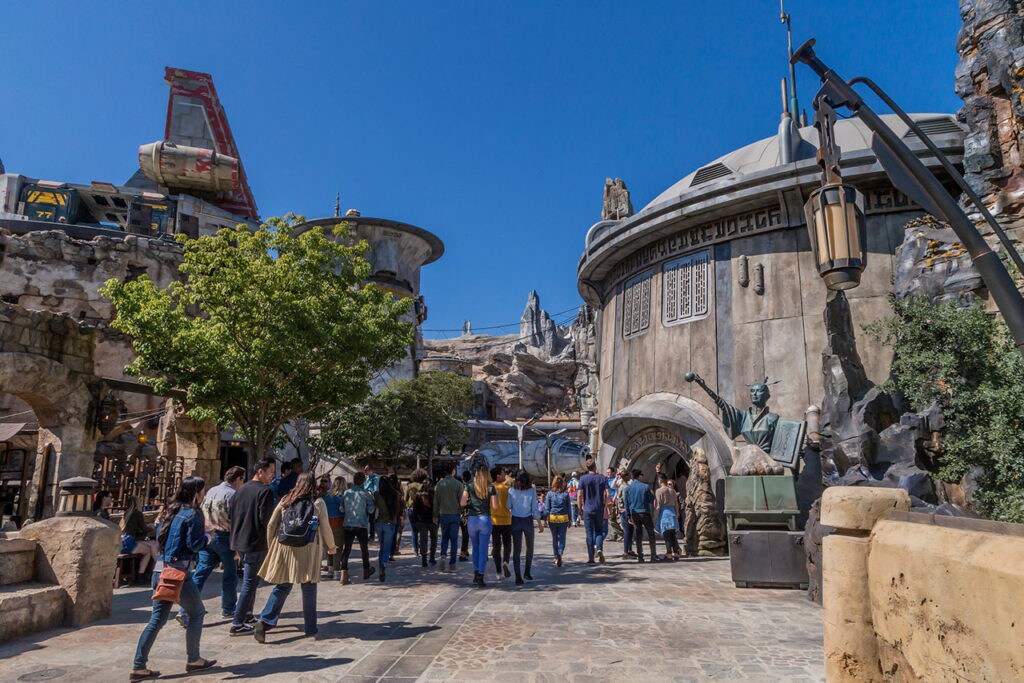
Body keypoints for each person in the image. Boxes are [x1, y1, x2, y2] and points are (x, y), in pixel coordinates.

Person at [130, 477, 216, 681]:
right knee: (197, 613)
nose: (204, 494)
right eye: (203, 491)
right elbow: (194, 544)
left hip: (161, 570)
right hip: (179, 573)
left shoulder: (170, 511)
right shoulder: (193, 514)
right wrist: (209, 537)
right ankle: (194, 659)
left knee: (157, 620)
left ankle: (138, 666)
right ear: (197, 493)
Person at [253, 472, 336, 642]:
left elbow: (271, 525)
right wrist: (332, 546)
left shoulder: (285, 500)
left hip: (285, 549)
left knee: (282, 586)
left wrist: (272, 546)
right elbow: (326, 527)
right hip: (309, 548)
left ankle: (265, 620)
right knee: (309, 587)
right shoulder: (318, 502)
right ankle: (310, 627)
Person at [177, 466, 245, 626]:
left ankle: (185, 609)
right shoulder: (233, 494)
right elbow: (236, 520)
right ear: (237, 479)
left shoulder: (212, 490)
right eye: (242, 479)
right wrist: (237, 545)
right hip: (224, 536)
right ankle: (228, 608)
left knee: (201, 571)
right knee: (230, 573)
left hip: (208, 535)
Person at [228, 457, 276, 636]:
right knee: (249, 582)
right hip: (255, 541)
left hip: (239, 540)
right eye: (270, 471)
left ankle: (247, 614)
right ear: (260, 471)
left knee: (252, 581)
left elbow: (231, 513)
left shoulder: (241, 489)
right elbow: (266, 520)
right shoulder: (265, 492)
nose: (272, 475)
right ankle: (237, 622)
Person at [461, 464, 496, 587]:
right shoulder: (491, 488)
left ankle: (475, 573)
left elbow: (462, 502)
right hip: (485, 519)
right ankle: (481, 575)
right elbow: (495, 506)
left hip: (472, 519)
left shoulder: (469, 486)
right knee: (483, 549)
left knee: (475, 548)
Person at [506, 469, 542, 585]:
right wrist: (540, 523)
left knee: (517, 549)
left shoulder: (511, 490)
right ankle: (527, 572)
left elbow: (508, 505)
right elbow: (535, 510)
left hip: (515, 520)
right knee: (529, 547)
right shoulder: (531, 491)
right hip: (527, 520)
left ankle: (518, 576)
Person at [339, 471, 376, 583]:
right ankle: (366, 570)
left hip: (348, 524)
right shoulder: (366, 494)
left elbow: (341, 509)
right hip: (361, 525)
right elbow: (371, 510)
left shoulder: (346, 493)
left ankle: (343, 574)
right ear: (363, 481)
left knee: (347, 549)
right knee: (364, 549)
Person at [577, 459, 610, 564]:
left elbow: (579, 494)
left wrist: (579, 508)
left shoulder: (583, 479)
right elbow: (608, 494)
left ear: (587, 468)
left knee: (589, 533)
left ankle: (591, 557)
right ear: (595, 466)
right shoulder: (602, 478)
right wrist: (605, 506)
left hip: (587, 509)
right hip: (599, 508)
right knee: (599, 530)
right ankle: (599, 548)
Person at [433, 464, 464, 572]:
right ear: (453, 471)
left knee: (444, 538)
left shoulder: (439, 484)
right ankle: (452, 564)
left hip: (443, 514)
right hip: (455, 514)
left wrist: (435, 515)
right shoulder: (459, 484)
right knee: (454, 540)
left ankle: (442, 557)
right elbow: (462, 501)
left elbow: (436, 501)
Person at [624, 469, 658, 563]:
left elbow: (626, 504)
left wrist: (628, 516)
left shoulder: (628, 488)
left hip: (634, 514)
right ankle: (653, 555)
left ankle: (640, 556)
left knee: (638, 535)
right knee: (651, 534)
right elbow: (651, 500)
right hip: (645, 512)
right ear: (639, 476)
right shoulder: (645, 487)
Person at [121, 495, 158, 577]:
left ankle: (146, 573)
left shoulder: (126, 513)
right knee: (149, 550)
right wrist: (152, 527)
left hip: (123, 541)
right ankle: (145, 573)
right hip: (129, 542)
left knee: (151, 545)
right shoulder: (137, 513)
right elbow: (144, 529)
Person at [373, 475, 402, 582]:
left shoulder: (377, 494)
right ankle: (383, 564)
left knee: (382, 545)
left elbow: (374, 508)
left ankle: (381, 563)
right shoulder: (396, 494)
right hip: (390, 522)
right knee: (387, 546)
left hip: (379, 522)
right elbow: (398, 510)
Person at [489, 466, 512, 580]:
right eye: (503, 474)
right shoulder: (507, 489)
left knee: (496, 547)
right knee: (507, 544)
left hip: (494, 521)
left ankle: (498, 572)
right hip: (507, 520)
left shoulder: (490, 488)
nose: (505, 476)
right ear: (498, 476)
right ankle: (506, 562)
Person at [322, 476, 346, 580]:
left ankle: (330, 569)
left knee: (329, 547)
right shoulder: (343, 496)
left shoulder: (326, 496)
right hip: (339, 523)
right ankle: (336, 571)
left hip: (326, 523)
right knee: (337, 548)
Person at [544, 475, 571, 567]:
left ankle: (556, 556)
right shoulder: (565, 494)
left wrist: (545, 519)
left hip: (552, 518)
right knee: (562, 537)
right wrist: (570, 519)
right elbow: (568, 508)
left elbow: (547, 508)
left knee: (554, 538)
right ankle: (560, 552)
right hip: (563, 518)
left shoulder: (550, 494)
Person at [654, 473, 682, 561]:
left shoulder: (659, 491)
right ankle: (676, 551)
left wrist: (655, 516)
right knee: (672, 534)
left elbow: (658, 505)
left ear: (660, 480)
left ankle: (669, 553)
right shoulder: (672, 491)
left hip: (664, 513)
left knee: (666, 534)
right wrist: (677, 513)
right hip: (672, 512)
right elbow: (676, 504)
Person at [411, 481, 438, 567]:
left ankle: (424, 560)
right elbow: (437, 507)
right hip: (433, 521)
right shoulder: (434, 494)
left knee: (423, 540)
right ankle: (432, 558)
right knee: (434, 538)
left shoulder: (418, 495)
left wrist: (415, 520)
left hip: (421, 521)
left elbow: (414, 509)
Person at [404, 469, 428, 558]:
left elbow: (405, 499)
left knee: (414, 530)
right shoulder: (424, 486)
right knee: (422, 530)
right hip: (422, 510)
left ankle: (415, 550)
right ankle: (423, 549)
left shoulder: (409, 486)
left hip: (411, 509)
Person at [614, 469, 635, 559]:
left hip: (622, 510)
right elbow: (627, 501)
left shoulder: (621, 486)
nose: (630, 477)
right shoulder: (626, 487)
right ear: (625, 476)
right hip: (626, 511)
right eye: (628, 475)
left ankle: (629, 550)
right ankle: (626, 552)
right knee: (627, 531)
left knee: (630, 531)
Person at [606, 467, 623, 542]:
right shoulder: (606, 480)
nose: (608, 474)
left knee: (611, 519)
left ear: (613, 472)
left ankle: (621, 534)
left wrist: (613, 500)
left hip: (613, 502)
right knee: (611, 519)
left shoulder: (615, 480)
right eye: (607, 472)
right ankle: (613, 535)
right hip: (608, 502)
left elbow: (616, 491)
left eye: (609, 472)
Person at [363, 465, 380, 540]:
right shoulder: (367, 478)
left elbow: (376, 489)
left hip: (372, 499)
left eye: (366, 470)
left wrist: (371, 493)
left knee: (372, 519)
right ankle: (364, 535)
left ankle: (372, 535)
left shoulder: (375, 478)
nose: (365, 472)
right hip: (365, 498)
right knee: (365, 518)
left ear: (371, 470)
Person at [459, 469, 472, 561]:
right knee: (466, 534)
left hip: (460, 513)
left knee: (464, 533)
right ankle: (463, 553)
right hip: (468, 514)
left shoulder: (459, 487)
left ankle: (465, 550)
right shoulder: (470, 488)